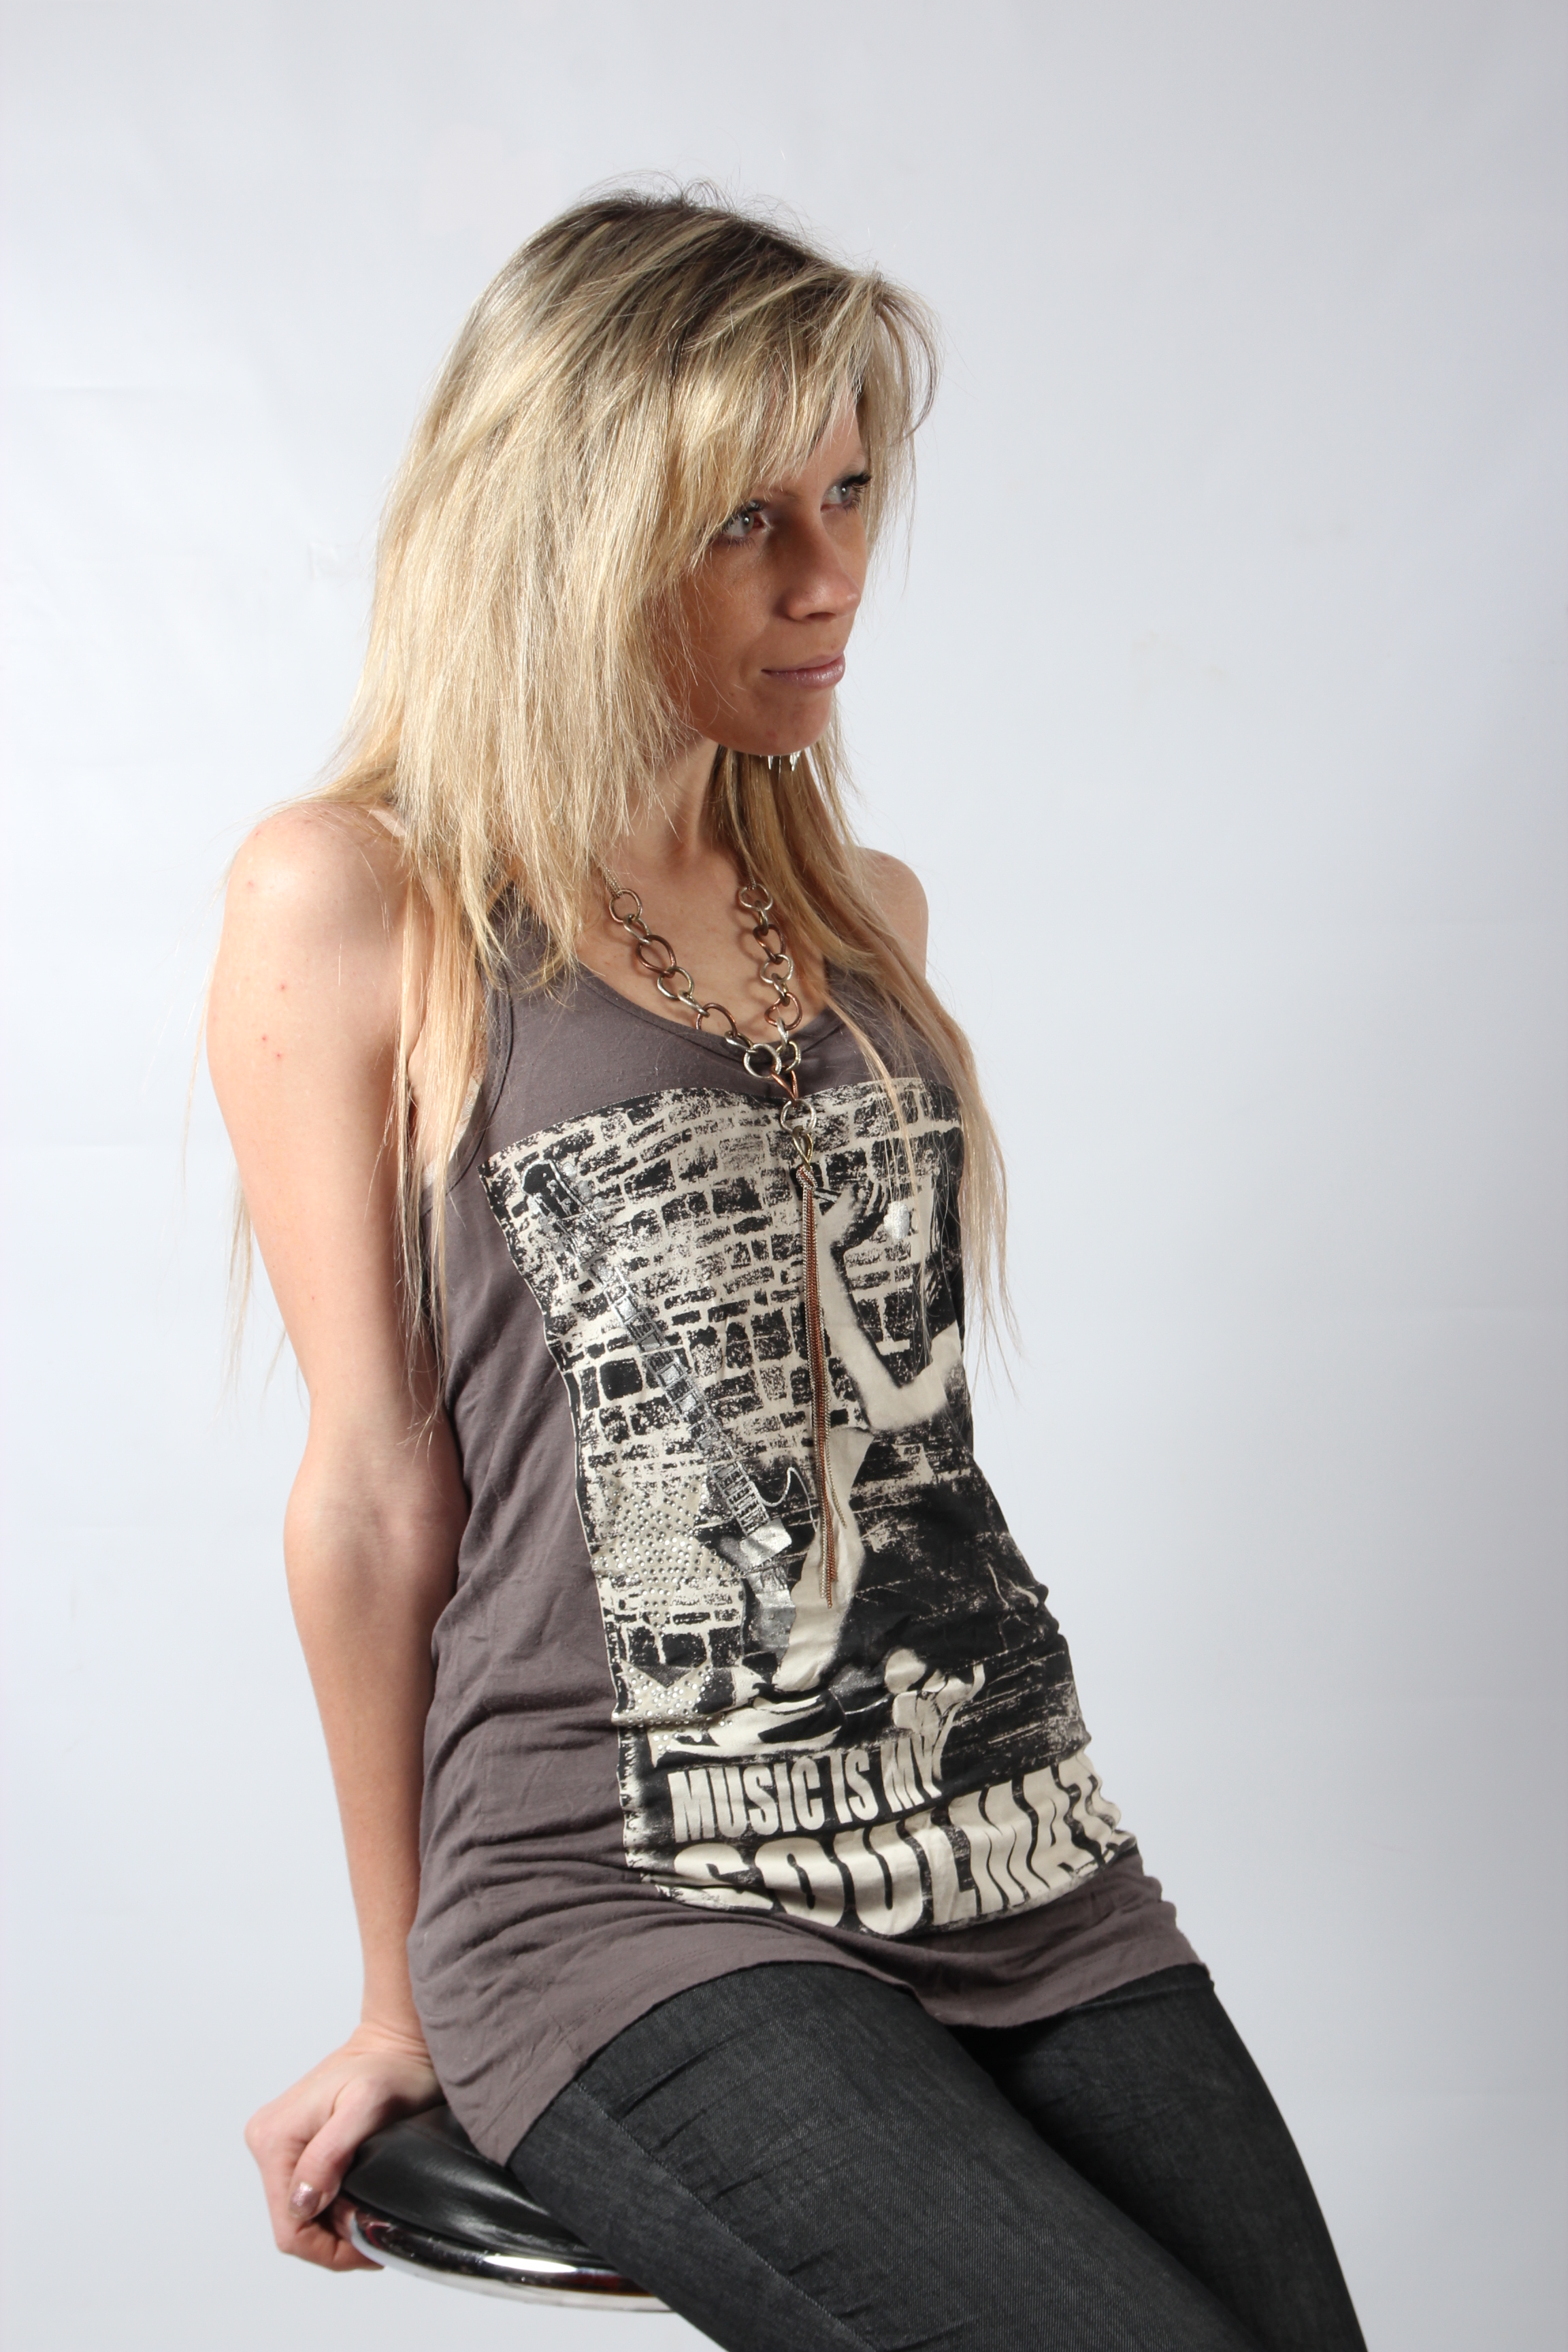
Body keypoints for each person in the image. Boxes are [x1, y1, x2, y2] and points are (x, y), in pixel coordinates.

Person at [209, 191, 1367, 2351]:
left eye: (848, 498)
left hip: (1024, 1847)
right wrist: (396, 2000)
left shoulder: (866, 920)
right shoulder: (358, 902)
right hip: (624, 1896)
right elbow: (373, 1488)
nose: (829, 578)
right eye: (746, 520)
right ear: (567, 530)